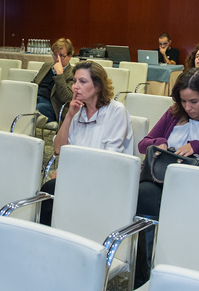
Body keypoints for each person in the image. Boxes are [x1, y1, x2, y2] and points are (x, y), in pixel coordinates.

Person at [135, 67, 199, 284]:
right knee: (143, 195)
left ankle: (167, 268)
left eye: (194, 101)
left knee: (170, 205)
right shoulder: (174, 114)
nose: (188, 107)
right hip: (164, 180)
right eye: (183, 101)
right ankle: (145, 270)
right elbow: (143, 144)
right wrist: (159, 143)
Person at [40, 61, 134, 224]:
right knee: (49, 190)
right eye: (75, 81)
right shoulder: (78, 113)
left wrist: (69, 174)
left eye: (82, 82)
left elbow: (109, 160)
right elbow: (57, 150)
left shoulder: (116, 111)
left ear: (98, 86)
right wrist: (69, 116)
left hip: (108, 180)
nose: (75, 87)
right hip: (81, 178)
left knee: (52, 188)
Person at [32, 38, 75, 123]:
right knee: (6, 89)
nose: (57, 59)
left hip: (52, 104)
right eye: (55, 55)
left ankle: (35, 114)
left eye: (62, 56)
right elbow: (34, 83)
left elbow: (66, 98)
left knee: (39, 107)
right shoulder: (47, 66)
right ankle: (34, 114)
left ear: (69, 56)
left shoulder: (72, 73)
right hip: (35, 97)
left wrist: (60, 74)